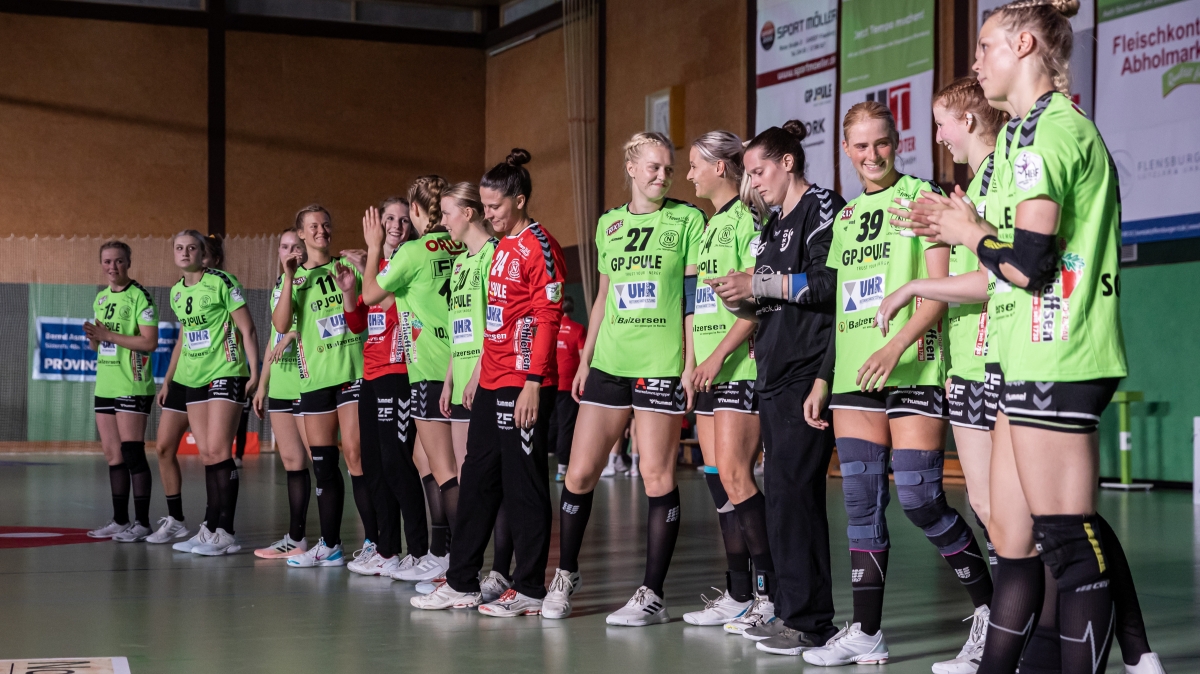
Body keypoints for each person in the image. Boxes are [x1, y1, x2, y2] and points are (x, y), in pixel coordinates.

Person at [898, 3, 1161, 672]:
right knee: (1016, 542)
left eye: (985, 47)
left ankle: (1135, 652)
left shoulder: (1052, 131)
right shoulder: (1020, 135)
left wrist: (969, 233)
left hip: (1064, 351)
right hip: (1022, 355)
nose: (976, 62)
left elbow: (1028, 265)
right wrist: (963, 226)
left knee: (1069, 543)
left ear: (1023, 45)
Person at [799, 101, 992, 667]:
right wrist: (824, 377)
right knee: (861, 505)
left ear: (897, 141)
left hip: (913, 368)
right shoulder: (845, 219)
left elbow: (938, 292)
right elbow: (843, 308)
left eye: (881, 142)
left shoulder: (922, 198)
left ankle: (993, 612)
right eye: (860, 145)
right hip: (854, 376)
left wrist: (895, 346)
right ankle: (866, 633)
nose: (872, 154)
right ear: (846, 149)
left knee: (920, 499)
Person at [872, 76, 1009, 673]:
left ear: (969, 121)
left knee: (1022, 517)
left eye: (941, 124)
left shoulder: (1004, 177)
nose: (937, 137)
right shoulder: (969, 189)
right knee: (985, 506)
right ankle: (1004, 629)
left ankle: (1035, 634)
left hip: (1004, 360)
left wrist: (916, 286)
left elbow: (999, 274)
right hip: (967, 364)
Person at [541, 132, 705, 625]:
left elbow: (693, 300)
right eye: (654, 167)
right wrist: (586, 358)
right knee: (578, 474)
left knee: (656, 476)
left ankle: (652, 594)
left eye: (669, 169)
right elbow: (603, 296)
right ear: (631, 167)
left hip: (660, 364)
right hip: (610, 364)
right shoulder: (608, 225)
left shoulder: (687, 219)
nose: (663, 176)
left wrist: (690, 362)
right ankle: (565, 575)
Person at [708, 123, 843, 655]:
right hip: (772, 373)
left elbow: (829, 284)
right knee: (783, 499)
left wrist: (757, 283)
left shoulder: (822, 207)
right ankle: (789, 611)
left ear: (788, 162)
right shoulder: (769, 225)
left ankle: (811, 622)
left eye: (760, 171)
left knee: (797, 497)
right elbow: (770, 302)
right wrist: (740, 297)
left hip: (806, 373)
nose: (755, 183)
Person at [412, 152, 566, 617]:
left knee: (525, 485)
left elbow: (548, 318)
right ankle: (461, 581)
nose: (488, 214)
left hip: (524, 383)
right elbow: (494, 322)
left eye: (495, 206)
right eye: (484, 205)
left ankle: (530, 587)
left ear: (519, 200)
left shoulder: (541, 246)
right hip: (492, 381)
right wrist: (478, 373)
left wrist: (533, 383)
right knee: (477, 481)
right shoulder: (499, 249)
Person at [360, 177, 467, 583]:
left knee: (445, 470)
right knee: (425, 459)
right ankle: (441, 551)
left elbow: (371, 294)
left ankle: (457, 562)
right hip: (461, 364)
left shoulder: (413, 251)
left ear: (417, 210)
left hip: (430, 368)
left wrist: (373, 248)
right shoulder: (460, 246)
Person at [676, 131, 761, 629]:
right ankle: (739, 592)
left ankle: (770, 594)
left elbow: (756, 303)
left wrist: (718, 357)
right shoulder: (709, 227)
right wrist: (692, 365)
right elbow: (697, 306)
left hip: (739, 367)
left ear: (721, 167)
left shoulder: (747, 219)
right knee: (717, 481)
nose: (689, 175)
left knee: (736, 477)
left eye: (694, 165)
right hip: (708, 370)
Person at [338, 196, 432, 577]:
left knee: (397, 461)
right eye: (388, 218)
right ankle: (387, 549)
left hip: (400, 371)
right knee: (374, 464)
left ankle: (420, 551)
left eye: (403, 219)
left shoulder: (410, 262)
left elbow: (404, 311)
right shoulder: (374, 268)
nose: (395, 225)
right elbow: (358, 324)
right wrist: (350, 289)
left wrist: (371, 262)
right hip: (371, 375)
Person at [272, 205, 364, 568]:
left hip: (352, 373)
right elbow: (281, 325)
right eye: (313, 226)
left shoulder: (349, 266)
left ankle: (375, 543)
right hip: (315, 380)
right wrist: (287, 277)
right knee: (324, 465)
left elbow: (365, 310)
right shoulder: (294, 278)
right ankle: (330, 545)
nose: (321, 230)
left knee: (356, 456)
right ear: (301, 234)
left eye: (326, 224)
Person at [431, 184, 510, 600]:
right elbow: (458, 327)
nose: (442, 221)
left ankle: (500, 571)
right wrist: (450, 379)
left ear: (468, 213)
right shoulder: (461, 262)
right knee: (469, 480)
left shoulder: (495, 255)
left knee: (493, 480)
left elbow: (497, 324)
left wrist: (480, 372)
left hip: (488, 379)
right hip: (462, 380)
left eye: (447, 212)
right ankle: (468, 571)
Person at [164, 230, 260, 556]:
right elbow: (186, 336)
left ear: (201, 252)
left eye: (191, 247)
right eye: (179, 248)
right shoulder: (176, 292)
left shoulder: (221, 281)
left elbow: (247, 328)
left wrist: (255, 371)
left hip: (226, 370)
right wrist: (171, 380)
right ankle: (209, 527)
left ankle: (226, 532)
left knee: (219, 449)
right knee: (207, 453)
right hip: (194, 377)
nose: (184, 252)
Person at [84, 241, 160, 542]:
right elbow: (99, 345)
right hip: (106, 382)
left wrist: (109, 334)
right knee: (112, 454)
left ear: (128, 262)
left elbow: (149, 342)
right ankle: (119, 520)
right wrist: (94, 337)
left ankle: (142, 523)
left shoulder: (140, 296)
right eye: (107, 261)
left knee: (132, 453)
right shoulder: (101, 298)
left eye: (118, 261)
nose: (112, 267)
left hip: (132, 383)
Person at [252, 228, 314, 559]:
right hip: (281, 382)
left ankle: (344, 540)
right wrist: (263, 384)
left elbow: (318, 325)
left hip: (307, 379)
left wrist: (293, 335)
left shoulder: (315, 278)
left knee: (322, 461)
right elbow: (273, 338)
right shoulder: (280, 284)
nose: (290, 252)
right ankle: (297, 538)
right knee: (292, 461)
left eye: (296, 247)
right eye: (285, 246)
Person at [551, 295, 584, 482]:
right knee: (566, 427)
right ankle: (562, 469)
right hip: (568, 386)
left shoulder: (550, 328)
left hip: (549, 383)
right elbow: (584, 358)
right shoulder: (578, 329)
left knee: (549, 424)